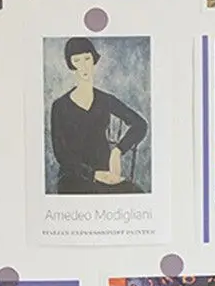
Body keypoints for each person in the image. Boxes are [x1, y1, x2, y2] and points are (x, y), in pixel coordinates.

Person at [49, 37, 147, 194]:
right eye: (77, 60)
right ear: (71, 64)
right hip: (74, 177)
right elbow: (61, 154)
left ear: (94, 59)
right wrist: (93, 174)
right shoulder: (59, 106)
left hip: (106, 174)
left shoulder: (105, 100)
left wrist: (118, 151)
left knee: (137, 193)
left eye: (87, 59)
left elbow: (140, 124)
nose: (83, 66)